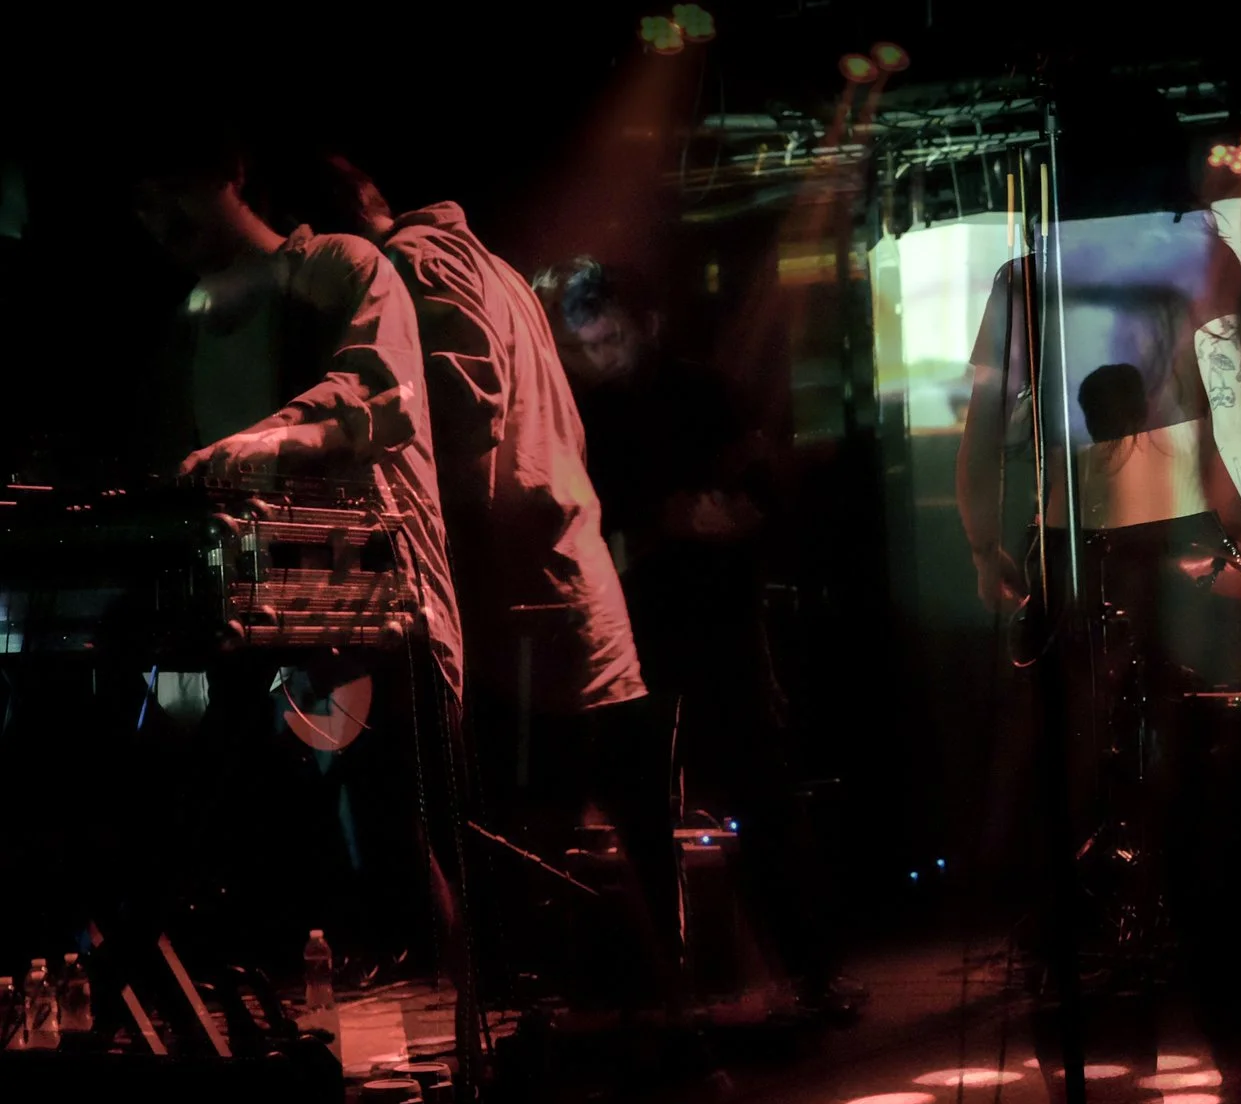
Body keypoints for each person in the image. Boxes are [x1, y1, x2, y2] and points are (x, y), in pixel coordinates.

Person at [954, 73, 1241, 1104]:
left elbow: (984, 434)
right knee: (1204, 794)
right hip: (1178, 551)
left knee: (1079, 796)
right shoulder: (1200, 259)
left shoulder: (1030, 276)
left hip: (1074, 550)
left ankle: (1093, 1050)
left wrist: (987, 544)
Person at [278, 156, 670, 1003]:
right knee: (591, 847)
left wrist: (356, 454)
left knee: (535, 862)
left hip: (526, 606)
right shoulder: (484, 262)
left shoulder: (415, 266)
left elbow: (460, 409)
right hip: (561, 586)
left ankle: (614, 1039)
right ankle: (662, 1038)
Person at [131, 133, 468, 994]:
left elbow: (377, 394)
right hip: (254, 620)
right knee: (271, 850)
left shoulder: (339, 268)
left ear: (231, 171)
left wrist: (266, 442)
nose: (158, 218)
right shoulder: (186, 324)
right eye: (142, 204)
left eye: (173, 190)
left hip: (367, 604)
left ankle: (445, 1025)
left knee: (394, 843)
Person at [540, 256, 853, 1013]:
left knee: (758, 789)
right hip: (636, 626)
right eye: (586, 345)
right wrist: (665, 524)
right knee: (642, 805)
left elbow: (761, 491)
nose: (599, 357)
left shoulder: (701, 392)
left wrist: (731, 517)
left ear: (646, 326)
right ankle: (665, 987)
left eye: (610, 340)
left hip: (717, 617)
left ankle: (809, 970)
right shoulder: (583, 412)